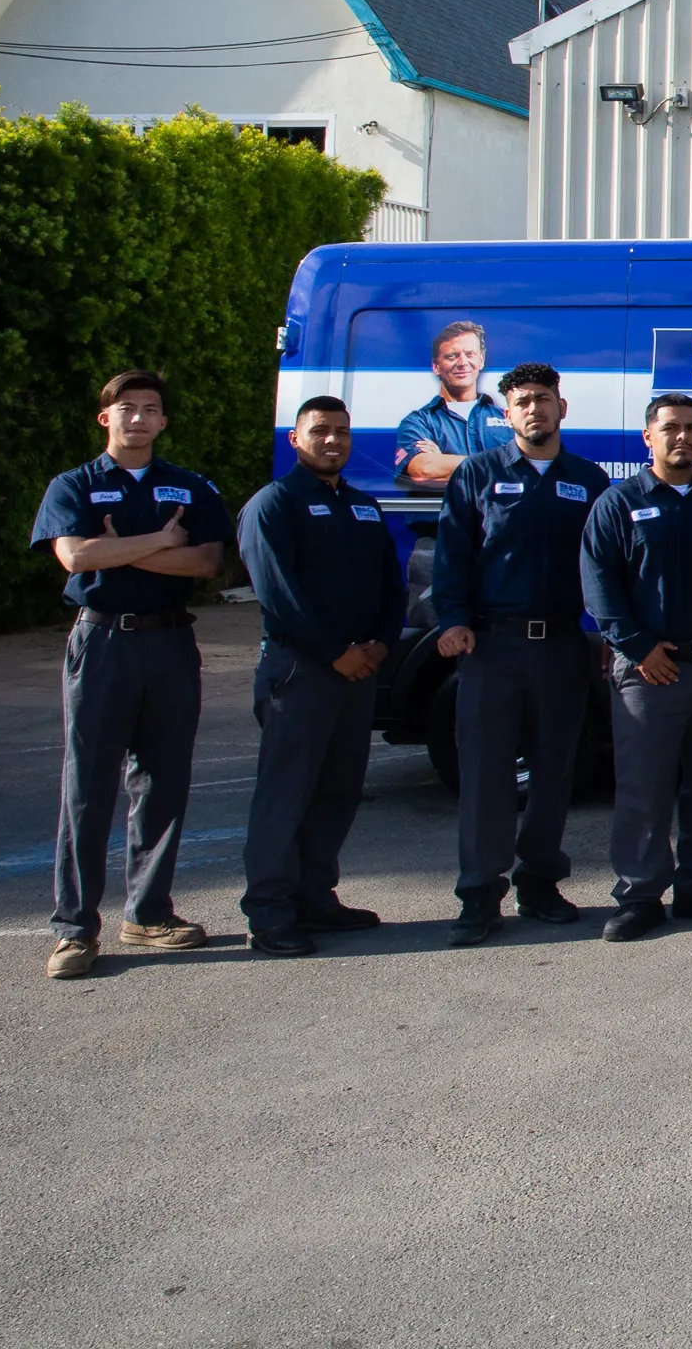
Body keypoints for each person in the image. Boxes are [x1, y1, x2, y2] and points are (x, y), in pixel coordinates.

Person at [29, 370, 233, 980]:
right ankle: (74, 930)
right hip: (103, 642)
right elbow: (75, 556)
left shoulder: (190, 486)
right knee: (87, 787)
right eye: (126, 408)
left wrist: (120, 549)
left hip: (170, 642)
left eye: (149, 409)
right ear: (106, 418)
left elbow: (206, 561)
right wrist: (159, 541)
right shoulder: (74, 485)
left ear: (163, 421)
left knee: (163, 782)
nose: (138, 418)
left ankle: (148, 913)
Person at [431, 362, 613, 945]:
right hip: (493, 647)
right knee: (487, 776)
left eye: (543, 399)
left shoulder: (588, 480)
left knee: (554, 772)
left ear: (563, 407)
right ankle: (479, 894)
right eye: (523, 401)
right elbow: (452, 555)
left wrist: (609, 634)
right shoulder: (478, 474)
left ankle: (540, 884)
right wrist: (453, 621)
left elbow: (608, 563)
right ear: (506, 413)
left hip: (561, 646)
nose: (535, 409)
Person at [581, 392, 692, 944]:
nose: (683, 437)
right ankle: (639, 896)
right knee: (644, 787)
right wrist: (637, 647)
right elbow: (599, 583)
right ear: (648, 438)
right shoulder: (618, 502)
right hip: (650, 672)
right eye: (671, 428)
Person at [234, 396, 405, 957]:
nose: (332, 440)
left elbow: (391, 583)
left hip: (357, 670)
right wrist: (335, 653)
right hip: (301, 669)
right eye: (320, 431)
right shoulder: (273, 504)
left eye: (341, 432)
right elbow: (279, 594)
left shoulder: (362, 506)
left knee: (338, 788)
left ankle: (315, 897)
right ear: (296, 439)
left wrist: (381, 643)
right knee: (287, 791)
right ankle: (270, 912)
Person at [396, 321, 514, 486]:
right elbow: (423, 469)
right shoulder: (418, 422)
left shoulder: (509, 418)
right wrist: (500, 465)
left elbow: (529, 467)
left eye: (470, 354)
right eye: (452, 356)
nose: (462, 362)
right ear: (436, 366)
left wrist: (442, 462)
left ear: (481, 360)